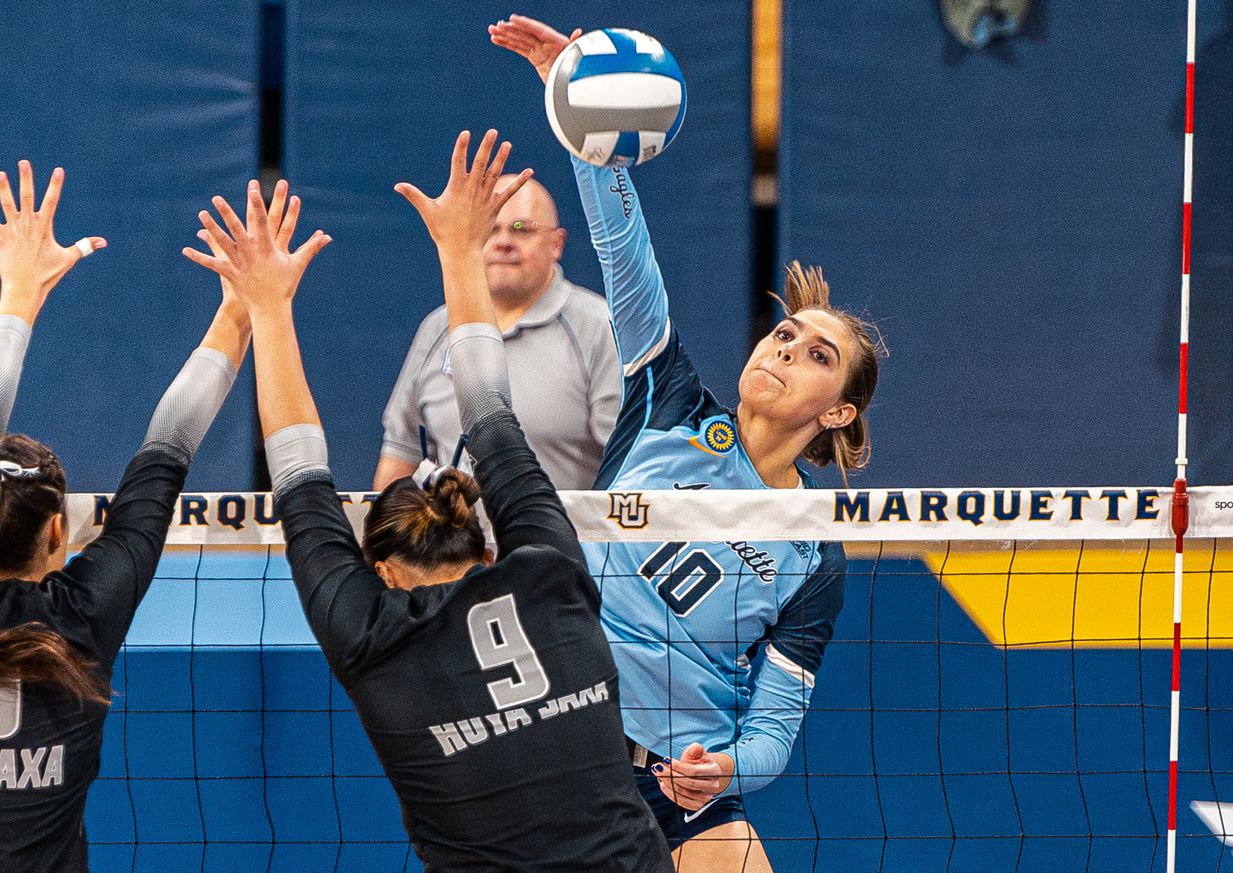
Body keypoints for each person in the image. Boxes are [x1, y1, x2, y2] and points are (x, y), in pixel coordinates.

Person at [185, 132, 673, 872]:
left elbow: (298, 469)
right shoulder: (550, 576)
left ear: (380, 572)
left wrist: (265, 309)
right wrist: (458, 249)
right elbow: (491, 411)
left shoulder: (373, 641)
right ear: (485, 546)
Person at [490, 16, 885, 871]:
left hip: (684, 784)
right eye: (786, 334)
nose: (784, 349)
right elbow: (625, 256)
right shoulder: (668, 401)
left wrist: (725, 768)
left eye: (817, 355)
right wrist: (584, 127)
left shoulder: (814, 555)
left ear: (839, 414)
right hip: (570, 753)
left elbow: (774, 730)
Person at [0, 160, 251, 872]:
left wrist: (18, 290)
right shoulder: (82, 618)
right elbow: (166, 450)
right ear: (58, 530)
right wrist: (243, 310)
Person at [375, 175, 620, 491]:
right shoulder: (437, 327)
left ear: (557, 243)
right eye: (490, 228)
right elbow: (402, 450)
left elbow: (628, 460)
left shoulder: (598, 326)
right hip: (456, 539)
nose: (503, 241)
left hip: (562, 538)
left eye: (522, 228)